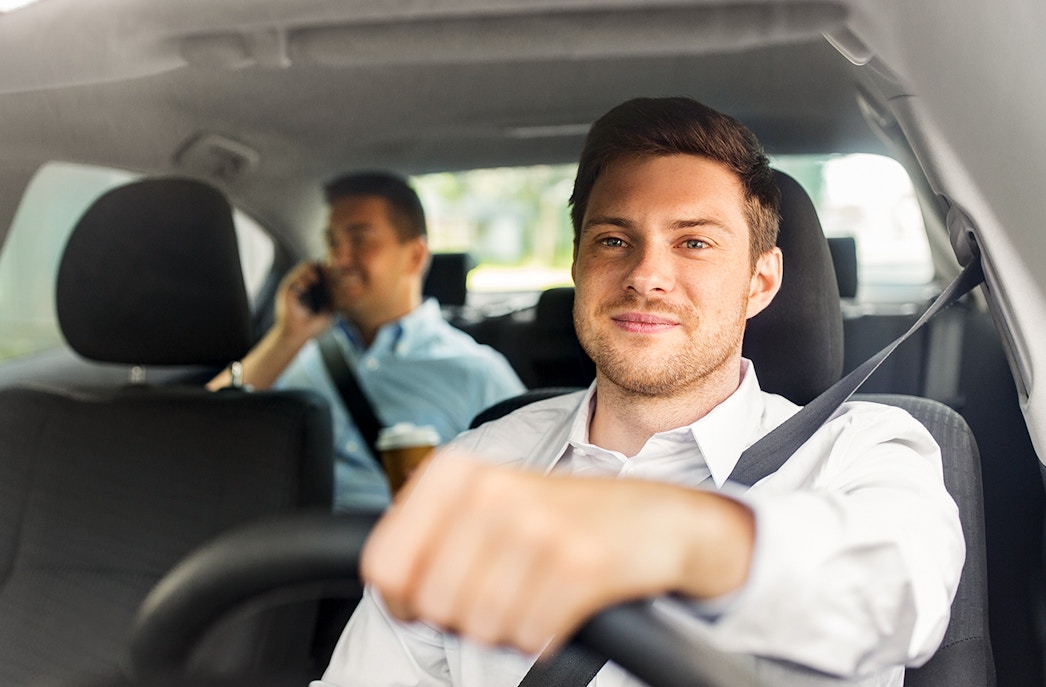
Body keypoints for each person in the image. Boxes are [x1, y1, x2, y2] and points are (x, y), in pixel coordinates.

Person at [316, 98, 964, 685]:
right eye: (615, 240)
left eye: (695, 242)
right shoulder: (473, 464)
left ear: (761, 281)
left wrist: (671, 536)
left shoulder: (867, 451)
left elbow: (898, 593)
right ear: (577, 266)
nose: (648, 274)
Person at [208, 172, 525, 513]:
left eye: (360, 240)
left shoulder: (479, 372)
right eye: (332, 243)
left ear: (415, 256)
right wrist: (287, 337)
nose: (338, 260)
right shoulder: (297, 352)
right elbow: (197, 431)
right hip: (281, 549)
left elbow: (530, 499)